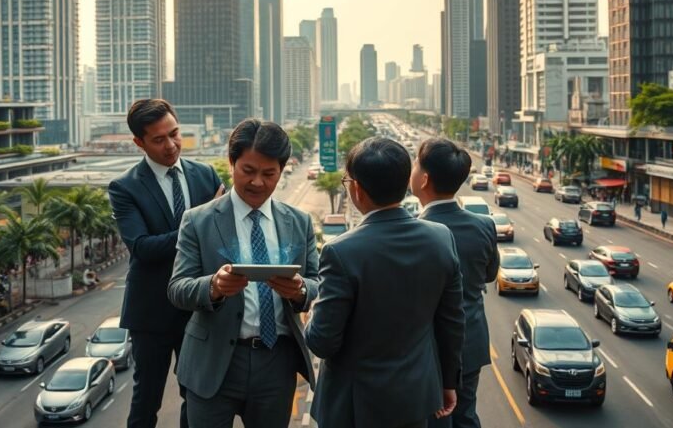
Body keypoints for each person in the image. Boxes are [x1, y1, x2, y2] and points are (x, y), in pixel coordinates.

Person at [168, 119, 320, 428]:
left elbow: (317, 282)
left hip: (276, 363)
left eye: (269, 174)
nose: (258, 183)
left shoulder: (298, 222)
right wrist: (214, 286)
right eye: (248, 171)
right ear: (231, 162)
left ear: (282, 169)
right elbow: (178, 288)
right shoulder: (198, 221)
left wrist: (300, 291)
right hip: (213, 362)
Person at [306, 137, 465, 428]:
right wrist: (448, 382)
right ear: (406, 182)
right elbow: (452, 322)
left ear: (356, 188)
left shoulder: (340, 252)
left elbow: (322, 342)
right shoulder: (441, 238)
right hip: (416, 399)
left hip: (354, 408)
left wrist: (312, 307)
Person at [109, 98, 225, 428]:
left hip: (199, 306)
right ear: (139, 142)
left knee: (197, 397)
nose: (172, 145)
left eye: (175, 134)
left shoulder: (205, 174)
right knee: (147, 400)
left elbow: (221, 235)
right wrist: (199, 221)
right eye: (159, 139)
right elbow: (142, 248)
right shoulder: (125, 187)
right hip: (151, 314)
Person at [412, 138, 496, 428]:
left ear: (423, 179)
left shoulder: (413, 233)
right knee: (465, 416)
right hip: (469, 342)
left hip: (424, 348)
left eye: (415, 163)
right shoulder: (484, 225)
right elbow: (489, 275)